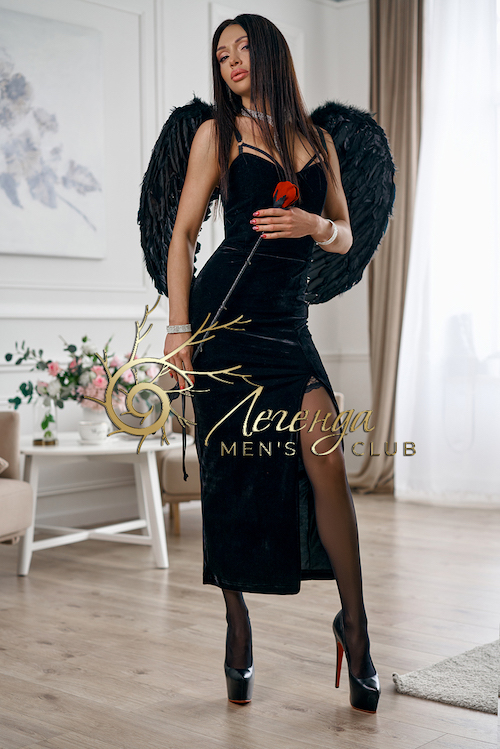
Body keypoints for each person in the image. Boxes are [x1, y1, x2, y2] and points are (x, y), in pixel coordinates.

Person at [163, 13, 380, 712]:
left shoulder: (319, 141)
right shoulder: (217, 134)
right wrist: (178, 327)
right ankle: (237, 624)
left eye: (243, 47)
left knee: (328, 461)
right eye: (220, 53)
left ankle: (356, 625)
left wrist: (315, 225)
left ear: (271, 53)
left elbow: (344, 234)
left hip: (287, 326)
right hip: (224, 322)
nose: (231, 60)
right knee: (229, 474)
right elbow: (184, 235)